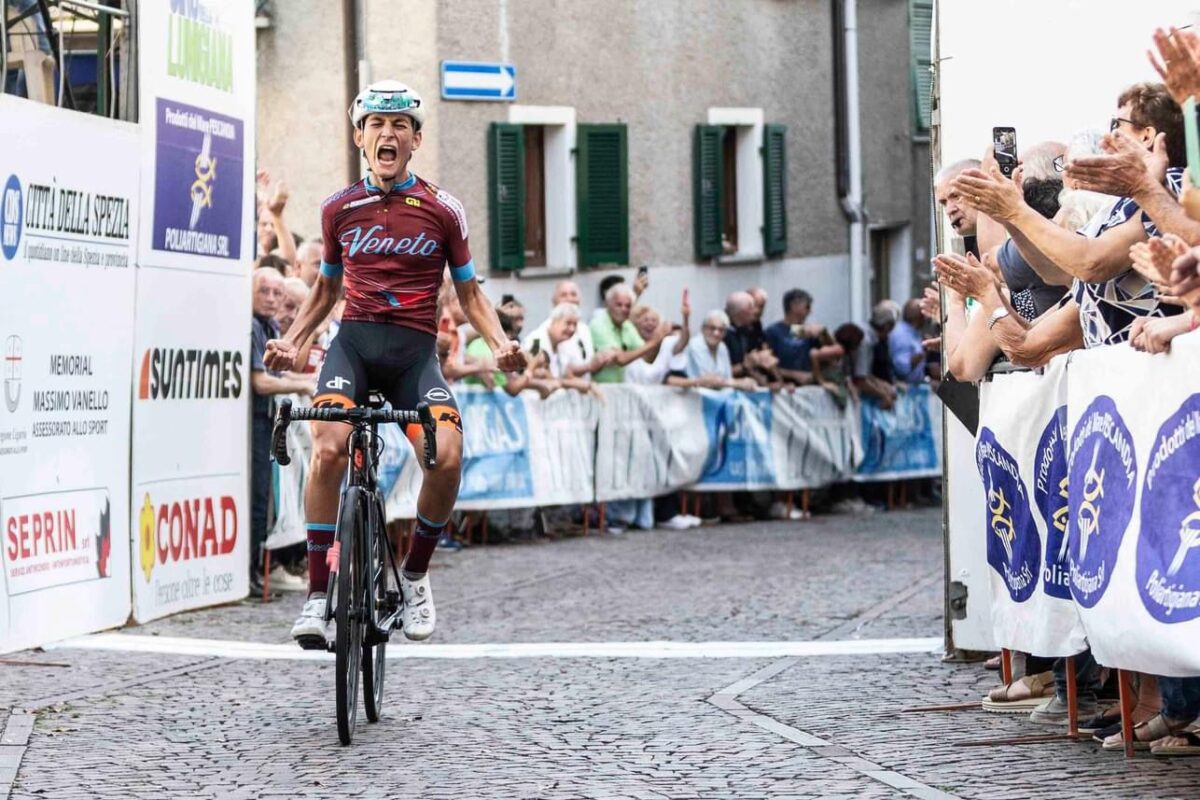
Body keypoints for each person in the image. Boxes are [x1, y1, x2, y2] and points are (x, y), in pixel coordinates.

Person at [264, 80, 524, 649]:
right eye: (377, 125)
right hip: (353, 349)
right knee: (328, 448)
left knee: (447, 455)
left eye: (400, 125)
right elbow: (325, 291)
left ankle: (415, 575)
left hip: (413, 357)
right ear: (360, 138)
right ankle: (317, 595)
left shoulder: (443, 209)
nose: (388, 134)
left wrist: (501, 344)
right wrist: (293, 340)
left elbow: (470, 294)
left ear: (415, 140)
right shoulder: (337, 208)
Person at [249, 268, 316, 595]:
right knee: (259, 501)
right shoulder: (252, 326)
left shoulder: (271, 327)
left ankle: (263, 570)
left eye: (278, 293)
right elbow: (261, 382)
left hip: (268, 422)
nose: (272, 299)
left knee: (267, 500)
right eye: (265, 291)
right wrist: (302, 384)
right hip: (256, 422)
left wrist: (306, 381)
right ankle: (254, 572)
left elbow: (281, 373)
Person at [764, 289, 843, 386]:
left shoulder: (803, 330)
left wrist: (825, 334)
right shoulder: (773, 332)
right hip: (784, 388)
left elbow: (835, 356)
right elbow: (766, 365)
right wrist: (794, 375)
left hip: (810, 387)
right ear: (794, 306)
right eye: (807, 307)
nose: (810, 311)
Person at [590, 283, 665, 383]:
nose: (623, 309)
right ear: (608, 304)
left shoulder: (627, 325)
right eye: (619, 305)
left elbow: (646, 356)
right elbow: (620, 359)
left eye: (628, 306)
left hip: (620, 387)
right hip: (599, 386)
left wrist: (658, 339)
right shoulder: (598, 324)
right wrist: (653, 342)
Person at [686, 311, 755, 390]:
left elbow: (728, 376)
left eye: (721, 330)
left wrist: (745, 382)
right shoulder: (695, 345)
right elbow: (709, 380)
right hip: (695, 394)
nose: (716, 333)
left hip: (719, 394)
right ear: (703, 329)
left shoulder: (722, 347)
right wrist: (738, 383)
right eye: (712, 328)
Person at [888, 299, 927, 385]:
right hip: (905, 388)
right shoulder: (902, 335)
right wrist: (920, 355)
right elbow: (902, 369)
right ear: (920, 316)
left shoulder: (914, 332)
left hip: (917, 385)